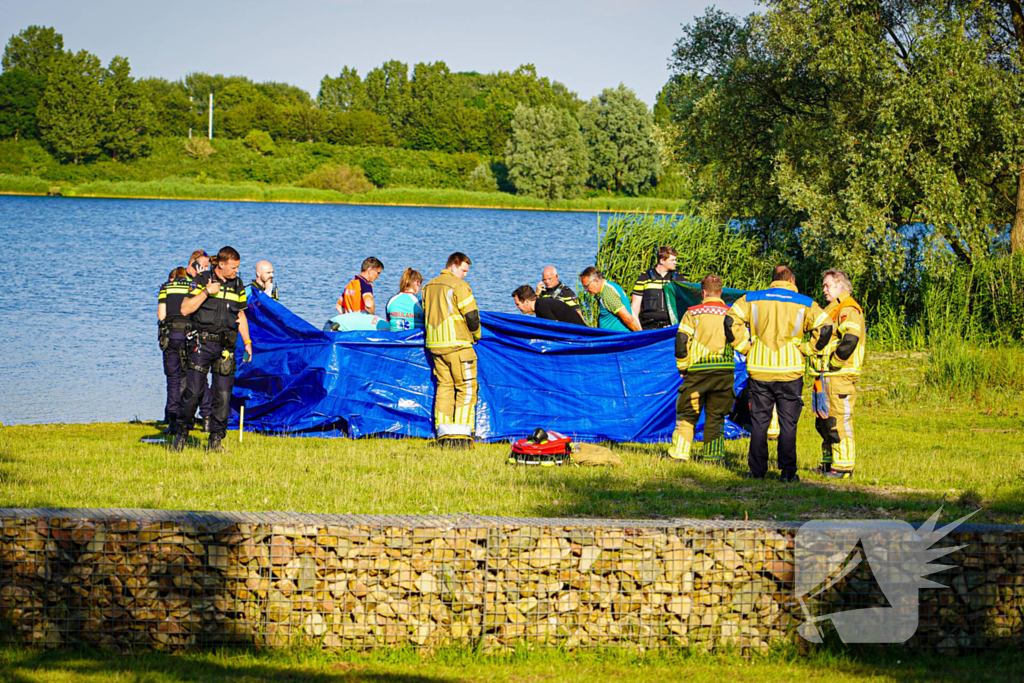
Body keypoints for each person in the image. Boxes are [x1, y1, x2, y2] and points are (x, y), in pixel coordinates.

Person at [726, 265, 833, 482]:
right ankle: (787, 473)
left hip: (759, 370)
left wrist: (746, 348)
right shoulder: (805, 303)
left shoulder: (751, 299)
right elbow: (826, 327)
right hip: (790, 372)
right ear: (792, 280)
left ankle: (756, 472)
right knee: (788, 424)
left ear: (773, 280)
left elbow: (730, 321)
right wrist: (807, 349)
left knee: (759, 424)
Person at [172, 246, 253, 453]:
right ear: (221, 265)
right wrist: (207, 292)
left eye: (238, 267)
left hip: (226, 346)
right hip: (202, 344)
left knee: (223, 396)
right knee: (194, 392)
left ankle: (215, 441)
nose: (236, 271)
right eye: (233, 267)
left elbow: (241, 316)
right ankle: (181, 433)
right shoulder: (200, 280)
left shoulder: (238, 284)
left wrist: (247, 343)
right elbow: (185, 309)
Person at [669, 274, 735, 463]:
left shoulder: (693, 313)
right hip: (724, 372)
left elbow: (681, 341)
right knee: (716, 415)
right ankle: (713, 457)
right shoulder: (731, 313)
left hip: (698, 371)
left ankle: (679, 455)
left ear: (703, 292)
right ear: (720, 291)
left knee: (688, 413)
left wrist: (682, 367)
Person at [810, 269, 866, 479]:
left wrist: (835, 363)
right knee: (824, 422)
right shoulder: (833, 309)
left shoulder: (847, 308)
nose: (824, 289)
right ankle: (828, 464)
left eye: (828, 285)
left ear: (841, 285)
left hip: (839, 375)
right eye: (823, 285)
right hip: (826, 376)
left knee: (838, 420)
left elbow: (850, 338)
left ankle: (843, 467)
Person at [422, 252, 480, 448]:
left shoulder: (428, 287)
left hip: (436, 347)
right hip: (459, 345)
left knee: (444, 389)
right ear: (454, 266)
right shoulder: (459, 286)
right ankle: (462, 434)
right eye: (463, 270)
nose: (465, 275)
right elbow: (471, 316)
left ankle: (443, 433)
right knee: (467, 389)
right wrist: (476, 335)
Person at [157, 266, 192, 435]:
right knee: (188, 377)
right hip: (188, 335)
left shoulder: (165, 287)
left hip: (171, 336)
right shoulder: (193, 286)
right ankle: (187, 418)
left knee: (173, 379)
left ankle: (172, 421)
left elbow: (161, 315)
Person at [184, 249, 214, 432]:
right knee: (180, 379)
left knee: (200, 379)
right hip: (180, 332)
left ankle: (206, 417)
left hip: (198, 335)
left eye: (207, 267)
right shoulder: (182, 280)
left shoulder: (205, 281)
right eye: (202, 267)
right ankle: (177, 418)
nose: (205, 271)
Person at [579, 267, 641, 332]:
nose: (586, 289)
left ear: (596, 281)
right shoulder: (611, 286)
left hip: (618, 338)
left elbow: (628, 319)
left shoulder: (608, 293)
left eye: (586, 286)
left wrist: (642, 335)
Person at [631, 246, 678, 330]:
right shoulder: (644, 278)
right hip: (648, 327)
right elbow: (635, 307)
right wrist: (638, 330)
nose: (675, 262)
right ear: (662, 260)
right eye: (672, 260)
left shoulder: (678, 278)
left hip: (671, 328)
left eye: (675, 260)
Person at [512, 285, 586, 326]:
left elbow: (554, 329)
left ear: (527, 301)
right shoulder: (540, 304)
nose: (516, 307)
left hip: (581, 336)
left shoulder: (542, 308)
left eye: (518, 304)